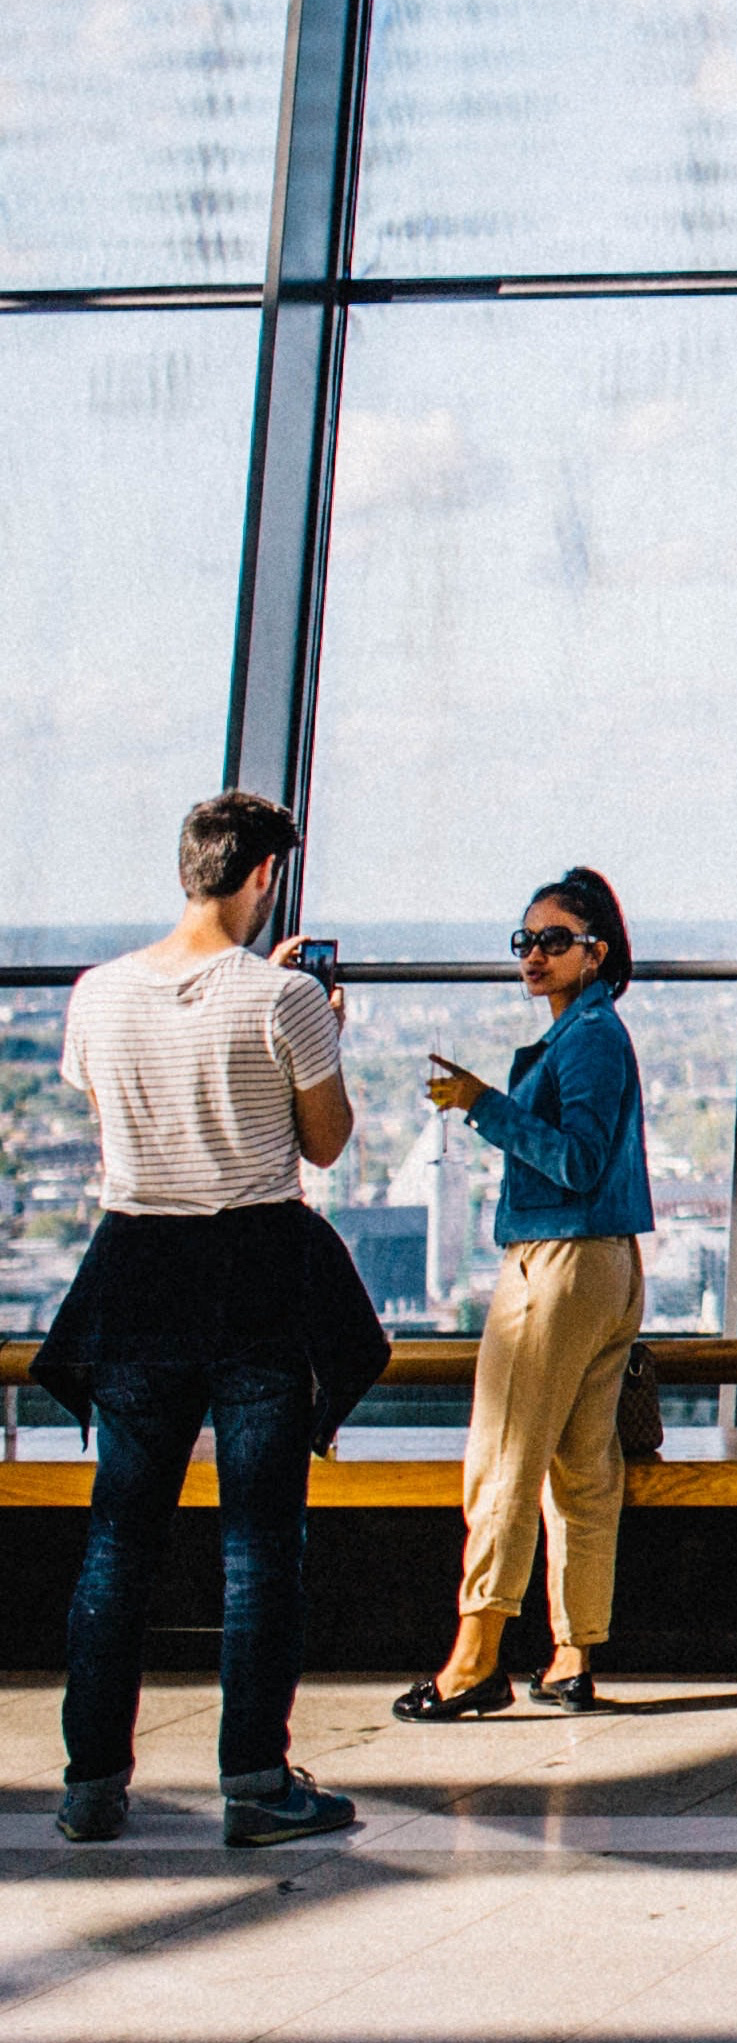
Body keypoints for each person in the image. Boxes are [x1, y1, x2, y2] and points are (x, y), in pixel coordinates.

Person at [35, 792, 380, 1848]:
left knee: (118, 1536)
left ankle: (92, 1782)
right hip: (254, 1277)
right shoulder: (283, 1001)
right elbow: (324, 1144)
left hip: (135, 1270)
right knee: (259, 1542)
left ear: (190, 867)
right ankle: (255, 1780)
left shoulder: (97, 995)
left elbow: (110, 1118)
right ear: (266, 876)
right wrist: (317, 1024)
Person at [393, 868, 652, 1722]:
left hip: (558, 1265)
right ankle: (572, 1653)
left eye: (553, 941)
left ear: (596, 951)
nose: (534, 956)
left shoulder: (587, 1040)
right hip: (605, 1267)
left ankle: (473, 1660)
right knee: (582, 1466)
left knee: (504, 1458)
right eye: (526, 941)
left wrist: (482, 1106)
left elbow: (574, 1160)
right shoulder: (591, 1034)